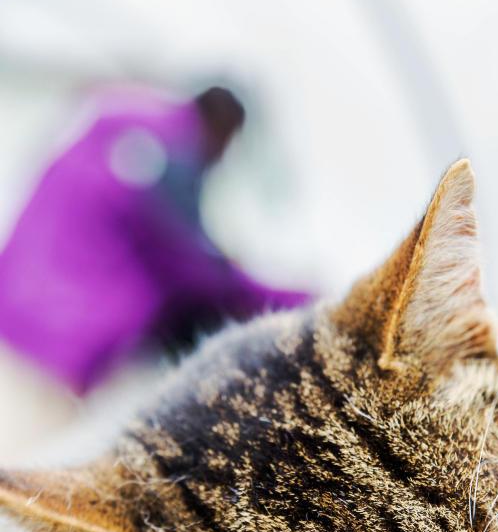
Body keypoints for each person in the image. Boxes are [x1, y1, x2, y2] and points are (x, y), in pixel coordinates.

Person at [0, 83, 311, 394]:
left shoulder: (119, 129)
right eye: (229, 143)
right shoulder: (169, 158)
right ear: (221, 125)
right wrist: (295, 301)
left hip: (13, 305)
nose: (223, 157)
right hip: (54, 344)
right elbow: (191, 265)